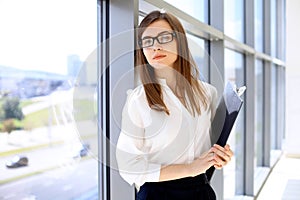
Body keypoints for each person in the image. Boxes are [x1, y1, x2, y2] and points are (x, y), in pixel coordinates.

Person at [116, 10, 233, 200]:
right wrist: (189, 169)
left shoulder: (206, 93)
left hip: (201, 191)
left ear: (180, 42)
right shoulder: (138, 100)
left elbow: (212, 144)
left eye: (164, 38)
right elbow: (129, 166)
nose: (155, 47)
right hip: (156, 194)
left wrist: (221, 156)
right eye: (147, 41)